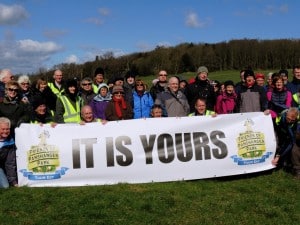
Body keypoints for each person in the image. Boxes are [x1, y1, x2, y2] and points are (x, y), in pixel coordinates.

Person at [0, 117, 18, 187]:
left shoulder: (11, 142)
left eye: (7, 129)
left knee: (5, 186)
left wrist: (13, 182)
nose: (5, 131)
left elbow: (10, 163)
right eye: (3, 129)